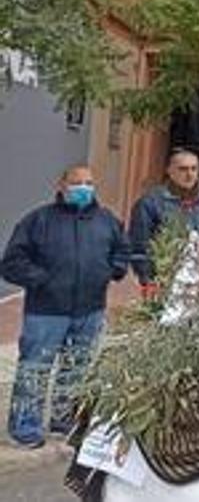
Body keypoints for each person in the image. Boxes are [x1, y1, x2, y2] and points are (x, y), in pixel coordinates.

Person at [1, 165, 129, 448]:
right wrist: (41, 279)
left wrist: (113, 270)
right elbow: (11, 263)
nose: (83, 188)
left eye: (89, 183)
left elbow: (122, 250)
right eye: (77, 182)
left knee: (77, 371)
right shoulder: (38, 221)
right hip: (46, 312)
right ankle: (25, 428)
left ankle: (64, 420)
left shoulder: (107, 221)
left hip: (90, 310)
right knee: (34, 369)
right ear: (61, 185)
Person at [127, 149, 199, 297]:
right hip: (164, 284)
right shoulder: (150, 203)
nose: (189, 174)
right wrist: (148, 280)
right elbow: (139, 247)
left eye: (194, 168)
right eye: (183, 169)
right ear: (169, 171)